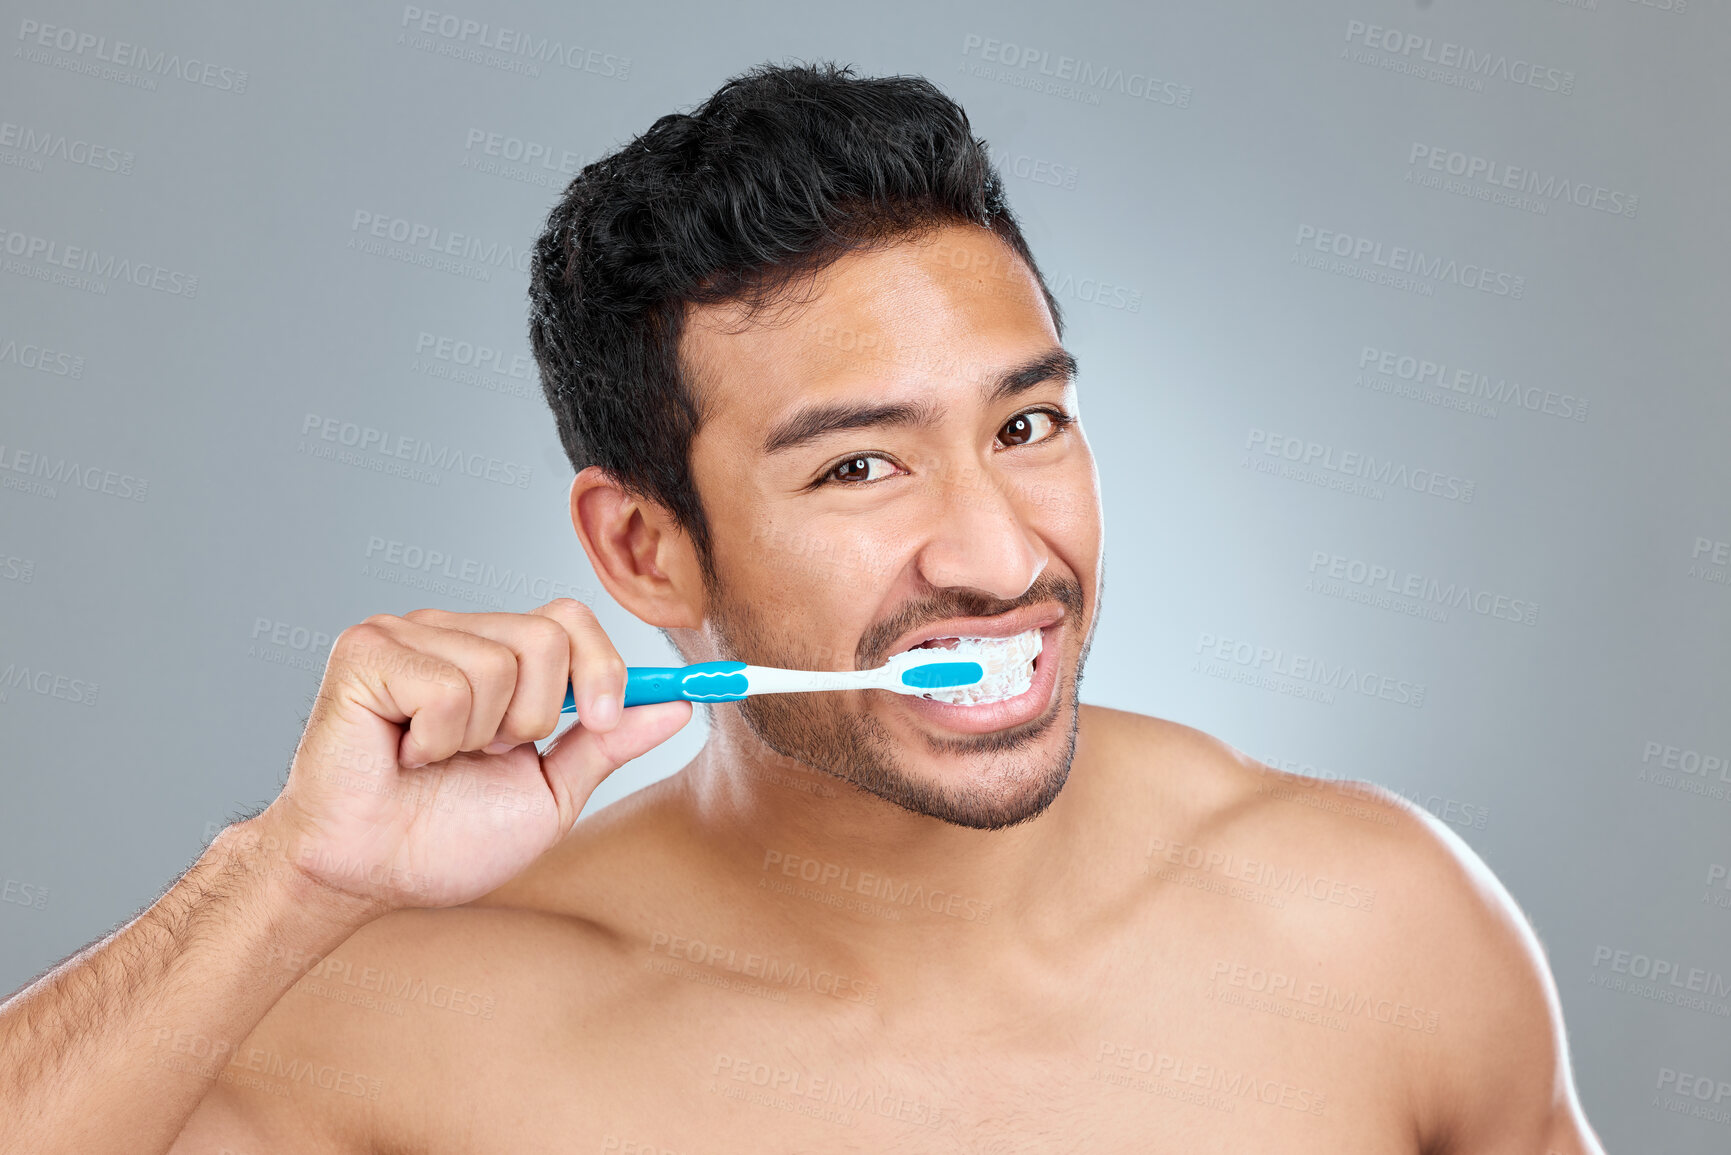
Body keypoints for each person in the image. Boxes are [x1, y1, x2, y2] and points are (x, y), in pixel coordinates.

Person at [0, 61, 1604, 1153]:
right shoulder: (409, 1028)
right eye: (856, 471)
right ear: (644, 553)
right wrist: (286, 878)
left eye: (1027, 424)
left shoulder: (1378, 922)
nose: (995, 554)